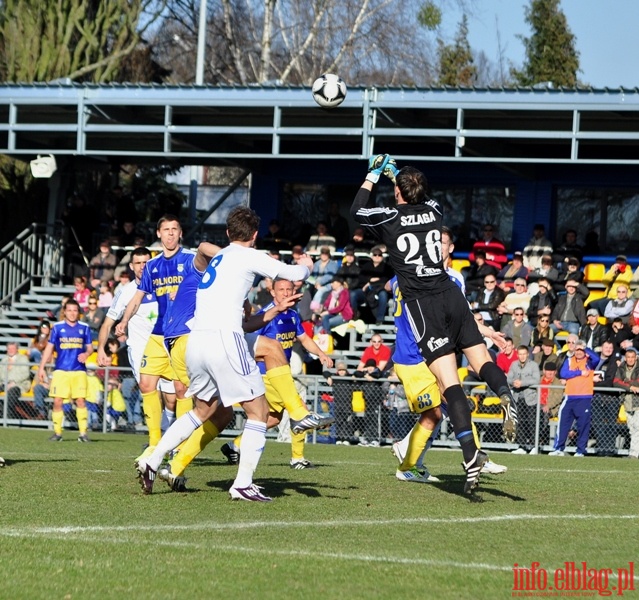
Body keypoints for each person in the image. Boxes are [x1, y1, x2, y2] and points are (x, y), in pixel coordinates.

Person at [351, 155, 517, 494]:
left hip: (424, 304)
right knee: (482, 360)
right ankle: (504, 392)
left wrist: (373, 174)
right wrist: (399, 173)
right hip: (450, 294)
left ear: (397, 193)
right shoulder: (436, 211)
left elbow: (356, 211)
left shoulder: (390, 216)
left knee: (449, 382)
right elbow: (421, 195)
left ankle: (470, 454)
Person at [135, 206, 313, 501]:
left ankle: (153, 461)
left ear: (229, 233)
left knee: (201, 410)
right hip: (224, 340)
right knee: (259, 411)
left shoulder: (220, 258)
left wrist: (274, 311)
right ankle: (242, 483)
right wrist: (306, 264)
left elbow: (204, 252)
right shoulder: (249, 255)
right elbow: (293, 274)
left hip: (197, 342)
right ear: (255, 235)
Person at [115, 215, 192, 462]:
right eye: (166, 229)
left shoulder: (191, 260)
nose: (170, 234)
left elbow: (205, 289)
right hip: (158, 334)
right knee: (147, 384)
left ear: (180, 233)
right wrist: (124, 321)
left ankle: (181, 445)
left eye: (174, 229)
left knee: (182, 390)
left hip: (183, 334)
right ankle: (154, 442)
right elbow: (137, 298)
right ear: (158, 234)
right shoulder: (153, 265)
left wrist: (182, 295)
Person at [38, 299, 93, 442]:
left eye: (75, 310)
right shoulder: (56, 327)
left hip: (79, 370)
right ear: (64, 312)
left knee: (80, 401)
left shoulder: (85, 327)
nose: (72, 313)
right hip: (61, 370)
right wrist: (41, 367)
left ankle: (83, 434)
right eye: (69, 310)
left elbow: (90, 347)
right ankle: (57, 433)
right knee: (57, 401)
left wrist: (86, 354)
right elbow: (49, 348)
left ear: (79, 312)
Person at [549, 339, 599, 457]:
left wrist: (585, 348)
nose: (579, 352)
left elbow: (596, 358)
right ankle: (559, 448)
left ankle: (580, 450)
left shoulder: (589, 362)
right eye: (577, 350)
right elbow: (564, 373)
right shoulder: (569, 361)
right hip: (570, 397)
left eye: (581, 350)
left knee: (583, 425)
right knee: (563, 424)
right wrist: (580, 373)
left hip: (584, 397)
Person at [507, 346, 541, 454]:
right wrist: (514, 382)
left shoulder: (533, 365)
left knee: (531, 423)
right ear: (517, 355)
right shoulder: (514, 365)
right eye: (520, 354)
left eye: (524, 354)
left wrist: (522, 383)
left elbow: (536, 380)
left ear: (527, 354)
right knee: (519, 422)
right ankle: (521, 446)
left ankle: (533, 446)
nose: (522, 356)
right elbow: (509, 378)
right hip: (518, 398)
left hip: (530, 399)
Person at [350, 246, 394, 324]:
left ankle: (379, 319)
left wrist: (370, 282)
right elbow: (361, 279)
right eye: (375, 255)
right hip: (366, 290)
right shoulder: (366, 266)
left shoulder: (387, 267)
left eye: (379, 255)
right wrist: (369, 281)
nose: (377, 256)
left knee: (383, 295)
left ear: (382, 256)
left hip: (380, 289)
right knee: (353, 294)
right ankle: (355, 314)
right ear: (372, 256)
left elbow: (387, 279)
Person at [613, 347, 639, 459]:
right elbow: (616, 382)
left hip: (637, 402)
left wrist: (626, 383)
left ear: (636, 358)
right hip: (627, 403)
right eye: (628, 357)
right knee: (632, 428)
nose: (630, 359)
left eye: (632, 357)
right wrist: (630, 387)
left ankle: (633, 453)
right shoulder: (621, 368)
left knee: (637, 428)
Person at [0, 342, 32, 418]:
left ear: (17, 349)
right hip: (4, 384)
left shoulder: (23, 359)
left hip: (18, 385)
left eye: (13, 348)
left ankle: (9, 418)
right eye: (9, 348)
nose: (10, 350)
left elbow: (25, 374)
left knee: (12, 392)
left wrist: (13, 382)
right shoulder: (4, 360)